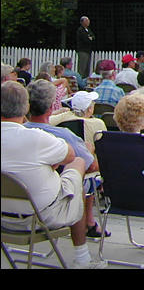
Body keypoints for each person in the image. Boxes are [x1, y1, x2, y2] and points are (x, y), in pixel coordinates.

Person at [1, 81, 104, 269]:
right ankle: (82, 258)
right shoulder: (38, 138)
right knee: (77, 164)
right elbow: (71, 156)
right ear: (25, 107)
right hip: (40, 217)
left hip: (3, 218)